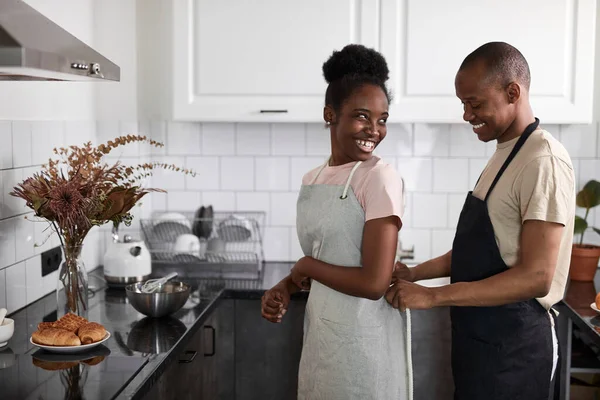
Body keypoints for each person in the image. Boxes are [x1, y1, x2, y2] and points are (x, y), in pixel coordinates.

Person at [386, 41, 576, 400]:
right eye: (463, 104)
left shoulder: (543, 159)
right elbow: (479, 254)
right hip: (482, 345)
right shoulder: (504, 154)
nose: (466, 115)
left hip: (515, 353)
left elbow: (536, 277)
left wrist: (433, 297)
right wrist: (415, 273)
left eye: (474, 103)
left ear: (512, 92)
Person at [261, 44, 409, 400]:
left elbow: (374, 283)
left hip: (366, 343)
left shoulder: (379, 178)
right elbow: (327, 256)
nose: (374, 129)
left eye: (382, 119)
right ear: (330, 114)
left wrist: (305, 266)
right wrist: (287, 286)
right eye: (362, 116)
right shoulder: (315, 178)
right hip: (322, 339)